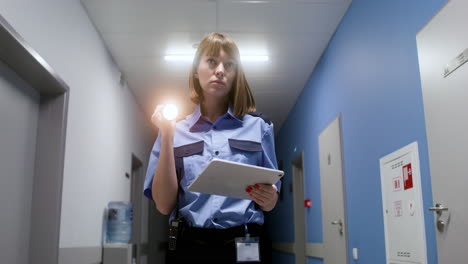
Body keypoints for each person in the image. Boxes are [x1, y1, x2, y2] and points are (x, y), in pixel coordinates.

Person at [143, 32, 281, 264]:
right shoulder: (173, 130)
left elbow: (271, 196)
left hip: (245, 242)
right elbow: (164, 205)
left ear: (235, 75)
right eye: (211, 61)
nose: (220, 70)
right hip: (191, 246)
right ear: (196, 71)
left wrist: (270, 198)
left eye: (228, 65)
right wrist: (167, 134)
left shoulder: (260, 127)